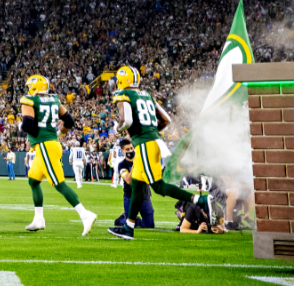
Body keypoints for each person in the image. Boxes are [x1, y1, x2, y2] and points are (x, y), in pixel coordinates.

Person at [108, 66, 212, 240]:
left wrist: (119, 129)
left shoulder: (123, 95)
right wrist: (152, 131)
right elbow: (166, 120)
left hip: (145, 143)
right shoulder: (147, 95)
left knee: (157, 186)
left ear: (121, 80)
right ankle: (129, 226)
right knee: (137, 184)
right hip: (150, 142)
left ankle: (198, 200)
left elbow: (125, 120)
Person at [19, 74, 98, 235]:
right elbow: (69, 121)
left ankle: (85, 214)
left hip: (44, 146)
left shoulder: (30, 100)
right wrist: (58, 134)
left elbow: (27, 124)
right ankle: (38, 219)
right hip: (50, 144)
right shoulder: (54, 100)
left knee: (59, 183)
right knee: (33, 180)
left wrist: (31, 134)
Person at [113, 140, 154, 229]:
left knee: (149, 226)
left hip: (144, 195)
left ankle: (135, 220)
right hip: (130, 197)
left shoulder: (143, 160)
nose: (130, 151)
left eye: (131, 148)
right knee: (131, 226)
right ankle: (122, 219)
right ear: (122, 151)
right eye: (127, 149)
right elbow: (128, 180)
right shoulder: (122, 165)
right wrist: (135, 165)